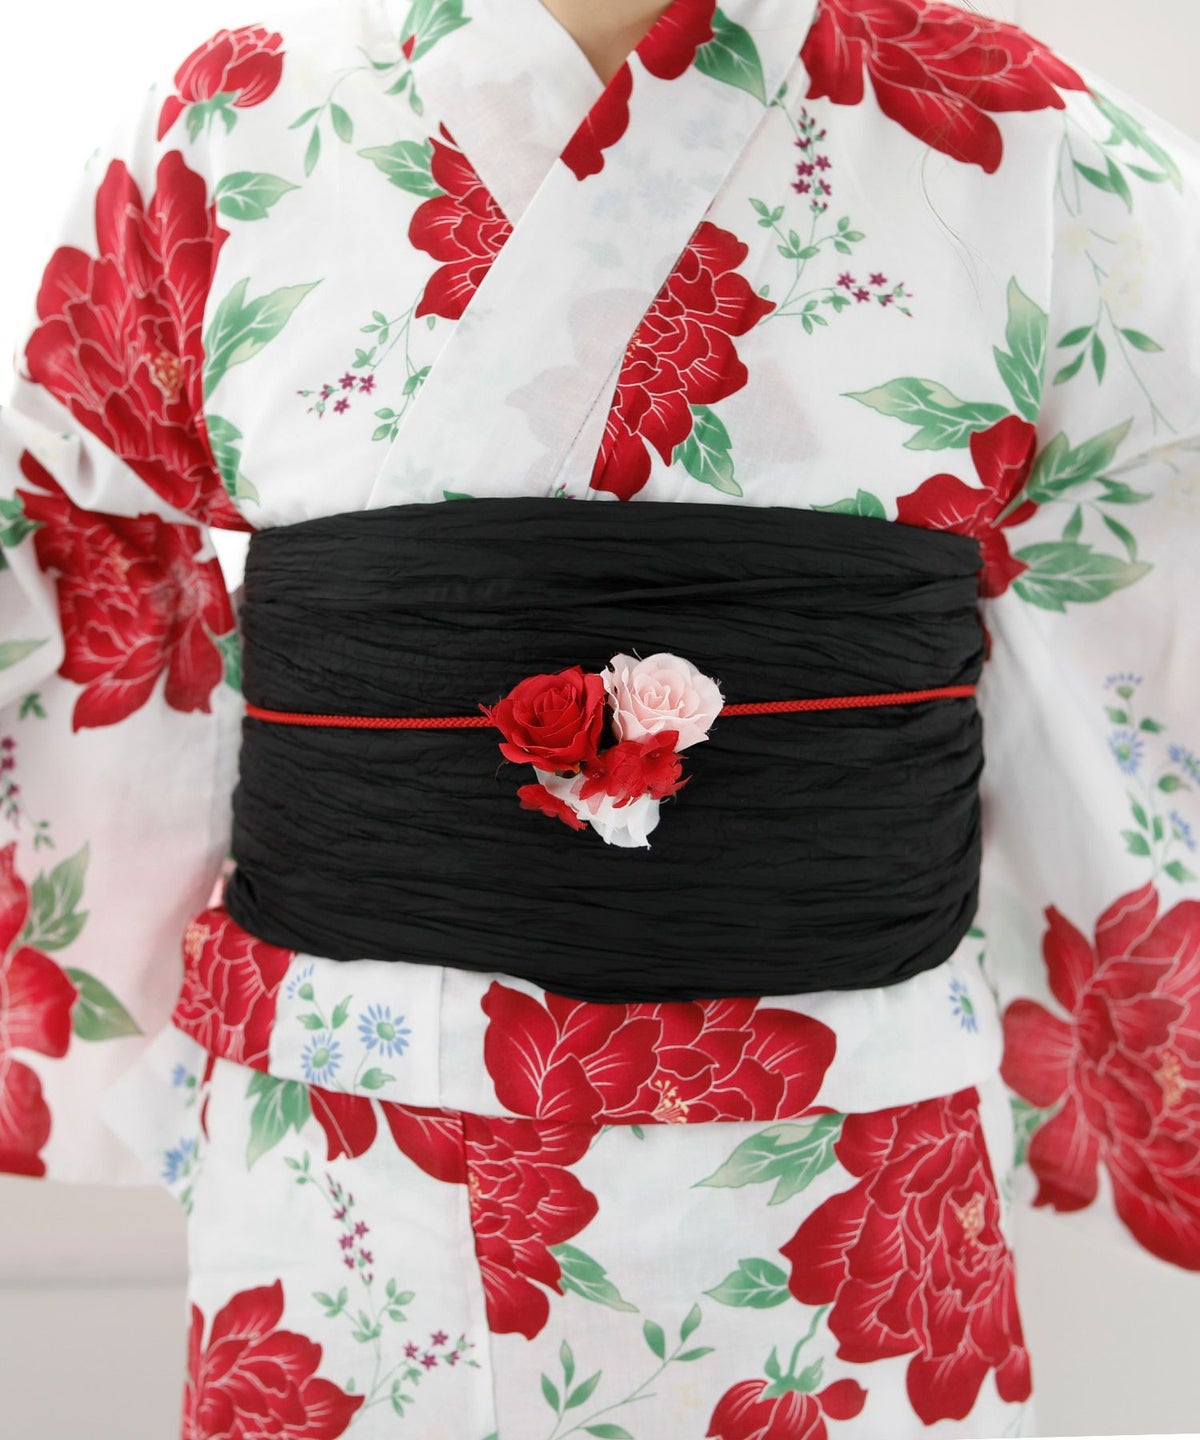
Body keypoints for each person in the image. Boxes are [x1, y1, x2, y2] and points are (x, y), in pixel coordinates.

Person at [1, 0, 1197, 1435]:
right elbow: (75, 502)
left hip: (853, 1122)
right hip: (349, 1123)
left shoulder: (1018, 127)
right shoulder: (234, 119)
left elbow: (1159, 520)